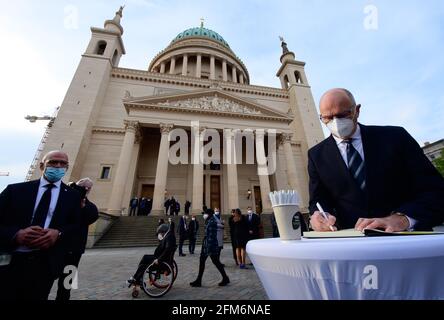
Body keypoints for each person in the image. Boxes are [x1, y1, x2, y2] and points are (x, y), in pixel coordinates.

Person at [309, 88, 444, 232]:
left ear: (357, 111)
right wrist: (318, 218)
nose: (335, 122)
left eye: (342, 115)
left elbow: (435, 190)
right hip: (351, 244)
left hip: (406, 238)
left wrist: (403, 218)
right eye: (327, 118)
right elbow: (318, 202)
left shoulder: (396, 138)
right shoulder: (316, 155)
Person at [0, 151, 81, 300]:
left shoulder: (73, 196)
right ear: (42, 165)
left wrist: (59, 233)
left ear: (67, 168)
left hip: (45, 264)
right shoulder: (14, 190)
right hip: (10, 261)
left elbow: (76, 226)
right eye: (53, 162)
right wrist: (15, 234)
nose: (58, 166)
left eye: (63, 164)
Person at [56, 178, 99, 301]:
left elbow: (91, 217)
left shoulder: (88, 206)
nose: (85, 189)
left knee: (67, 281)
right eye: (82, 186)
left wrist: (82, 205)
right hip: (57, 246)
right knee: (46, 278)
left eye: (87, 187)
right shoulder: (63, 199)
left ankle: (64, 298)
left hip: (74, 250)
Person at [127, 224, 176, 288]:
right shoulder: (168, 236)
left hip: (162, 261)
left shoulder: (169, 236)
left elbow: (168, 249)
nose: (159, 235)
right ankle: (138, 279)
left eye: (160, 233)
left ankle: (136, 279)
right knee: (145, 257)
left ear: (163, 231)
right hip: (160, 257)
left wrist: (159, 259)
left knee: (143, 265)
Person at [190, 209, 230, 287]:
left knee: (216, 262)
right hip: (206, 245)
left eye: (205, 213)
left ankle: (225, 278)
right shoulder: (209, 221)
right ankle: (199, 280)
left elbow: (211, 236)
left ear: (209, 214)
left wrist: (208, 248)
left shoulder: (212, 222)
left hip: (210, 245)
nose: (204, 215)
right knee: (203, 261)